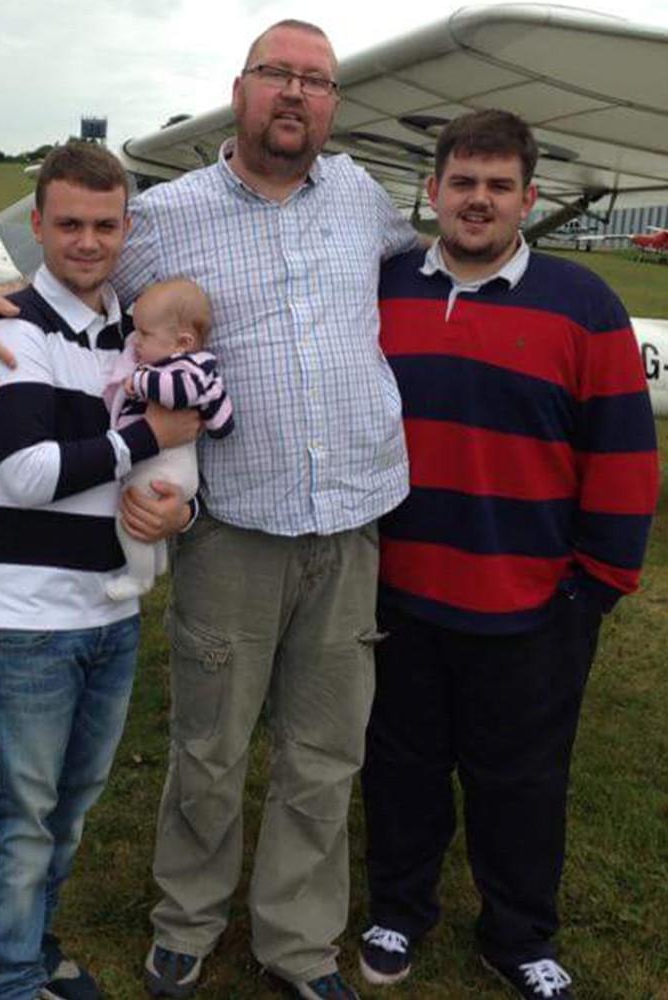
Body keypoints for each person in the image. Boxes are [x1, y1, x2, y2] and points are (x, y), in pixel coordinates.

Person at [0, 20, 417, 1000]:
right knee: (210, 745)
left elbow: (436, 265)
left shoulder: (367, 201)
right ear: (240, 89)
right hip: (235, 527)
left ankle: (297, 939)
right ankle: (186, 923)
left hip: (352, 520)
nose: (295, 95)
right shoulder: (162, 216)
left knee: (324, 750)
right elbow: (62, 278)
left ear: (333, 103)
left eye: (315, 81)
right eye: (276, 75)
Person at [358, 110, 658, 1000]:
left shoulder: (584, 303)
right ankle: (398, 910)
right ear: (433, 191)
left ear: (528, 198)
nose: (477, 200)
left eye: (497, 186)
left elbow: (625, 455)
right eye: (462, 183)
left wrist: (594, 585)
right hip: (398, 592)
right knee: (401, 765)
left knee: (521, 779)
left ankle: (518, 931)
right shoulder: (383, 287)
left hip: (534, 604)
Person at [0, 143, 199, 1000]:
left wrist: (182, 510)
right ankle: (10, 979)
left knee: (69, 810)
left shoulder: (140, 332)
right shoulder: (9, 326)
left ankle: (32, 946)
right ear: (37, 225)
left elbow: (162, 478)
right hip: (26, 617)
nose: (88, 241)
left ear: (127, 228)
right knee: (20, 817)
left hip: (108, 614)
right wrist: (148, 438)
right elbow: (21, 476)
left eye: (105, 225)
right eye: (69, 224)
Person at [104, 278, 234, 600]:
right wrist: (215, 419)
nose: (136, 342)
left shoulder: (187, 369)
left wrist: (139, 381)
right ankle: (158, 560)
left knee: (129, 520)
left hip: (163, 470)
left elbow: (179, 393)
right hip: (175, 470)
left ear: (182, 341)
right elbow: (223, 422)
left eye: (145, 335)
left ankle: (139, 578)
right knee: (149, 520)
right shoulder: (203, 369)